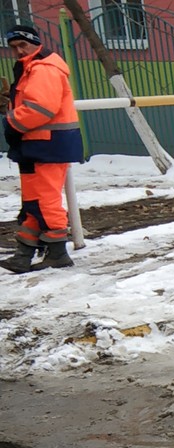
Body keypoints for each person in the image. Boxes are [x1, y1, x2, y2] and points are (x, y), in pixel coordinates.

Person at [2, 22, 83, 273]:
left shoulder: (43, 69)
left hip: (47, 145)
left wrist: (10, 121)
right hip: (39, 144)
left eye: (22, 45)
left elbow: (40, 109)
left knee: (45, 200)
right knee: (33, 201)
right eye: (14, 47)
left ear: (36, 43)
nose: (18, 51)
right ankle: (23, 254)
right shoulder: (32, 69)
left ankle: (57, 252)